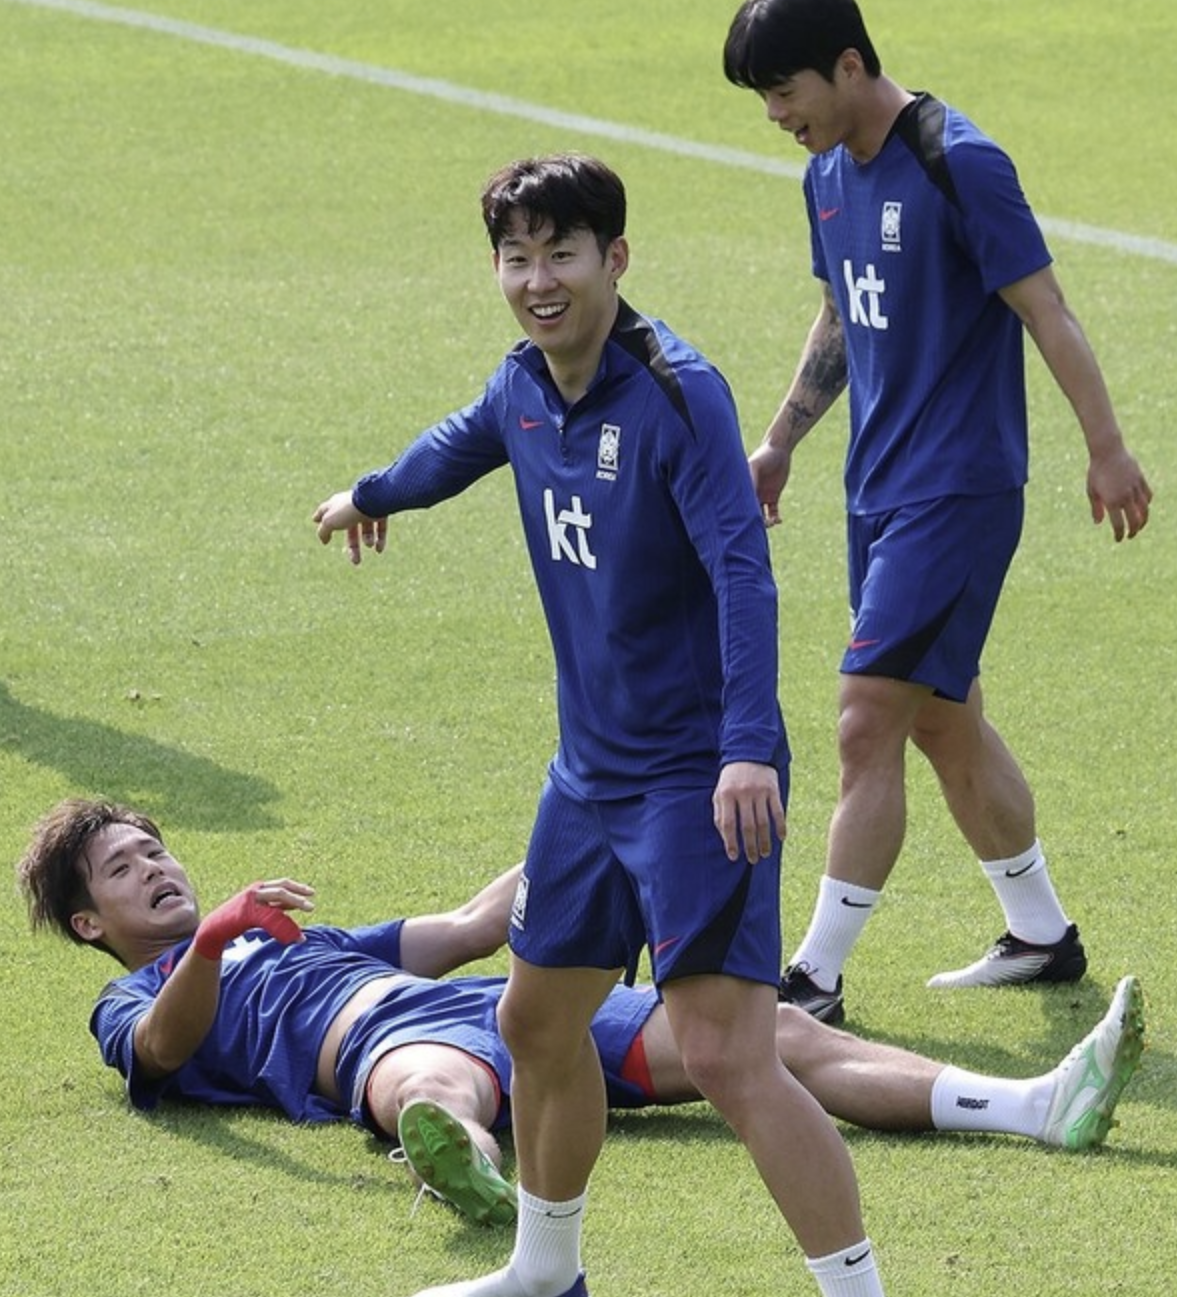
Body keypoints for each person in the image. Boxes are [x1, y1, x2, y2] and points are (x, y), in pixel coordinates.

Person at [312, 152, 885, 1297]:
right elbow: (454, 445)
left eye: (561, 252)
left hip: (695, 780)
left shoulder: (680, 393)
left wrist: (739, 748)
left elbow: (741, 570)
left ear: (614, 258)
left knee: (727, 1052)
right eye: (516, 257)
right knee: (533, 1021)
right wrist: (370, 493)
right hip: (585, 784)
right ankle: (545, 1272)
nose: (538, 279)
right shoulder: (522, 382)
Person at [17, 797, 1147, 1235]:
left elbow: (468, 927)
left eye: (158, 848)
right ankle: (465, 1163)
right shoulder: (131, 999)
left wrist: (594, 815)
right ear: (88, 922)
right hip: (375, 1046)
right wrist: (213, 938)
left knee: (764, 1040)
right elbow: (166, 1049)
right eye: (125, 868)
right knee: (427, 1084)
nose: (157, 867)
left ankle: (1041, 1104)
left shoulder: (299, 933)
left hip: (489, 1006)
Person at [722, 0, 1153, 1025]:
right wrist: (781, 441)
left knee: (866, 716)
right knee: (943, 723)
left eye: (784, 92)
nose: (777, 114)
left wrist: (1106, 447)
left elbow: (1045, 308)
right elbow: (840, 313)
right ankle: (1041, 933)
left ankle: (811, 982)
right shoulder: (824, 174)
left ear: (845, 63)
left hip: (957, 491)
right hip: (874, 488)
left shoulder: (960, 161)